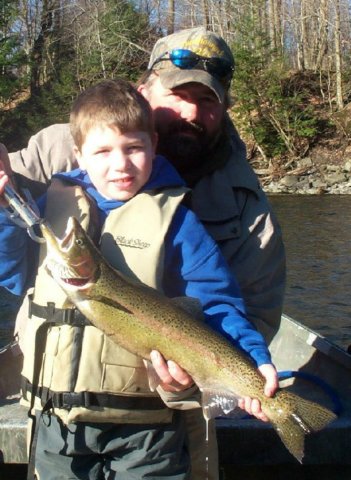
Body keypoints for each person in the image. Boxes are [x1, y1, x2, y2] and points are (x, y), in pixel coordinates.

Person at [0, 27, 285, 479]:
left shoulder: (232, 209)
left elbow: (225, 305)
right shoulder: (56, 158)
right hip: (58, 419)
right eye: (177, 96)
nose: (191, 112)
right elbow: (17, 272)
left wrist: (250, 367)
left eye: (207, 101)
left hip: (153, 424)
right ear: (145, 91)